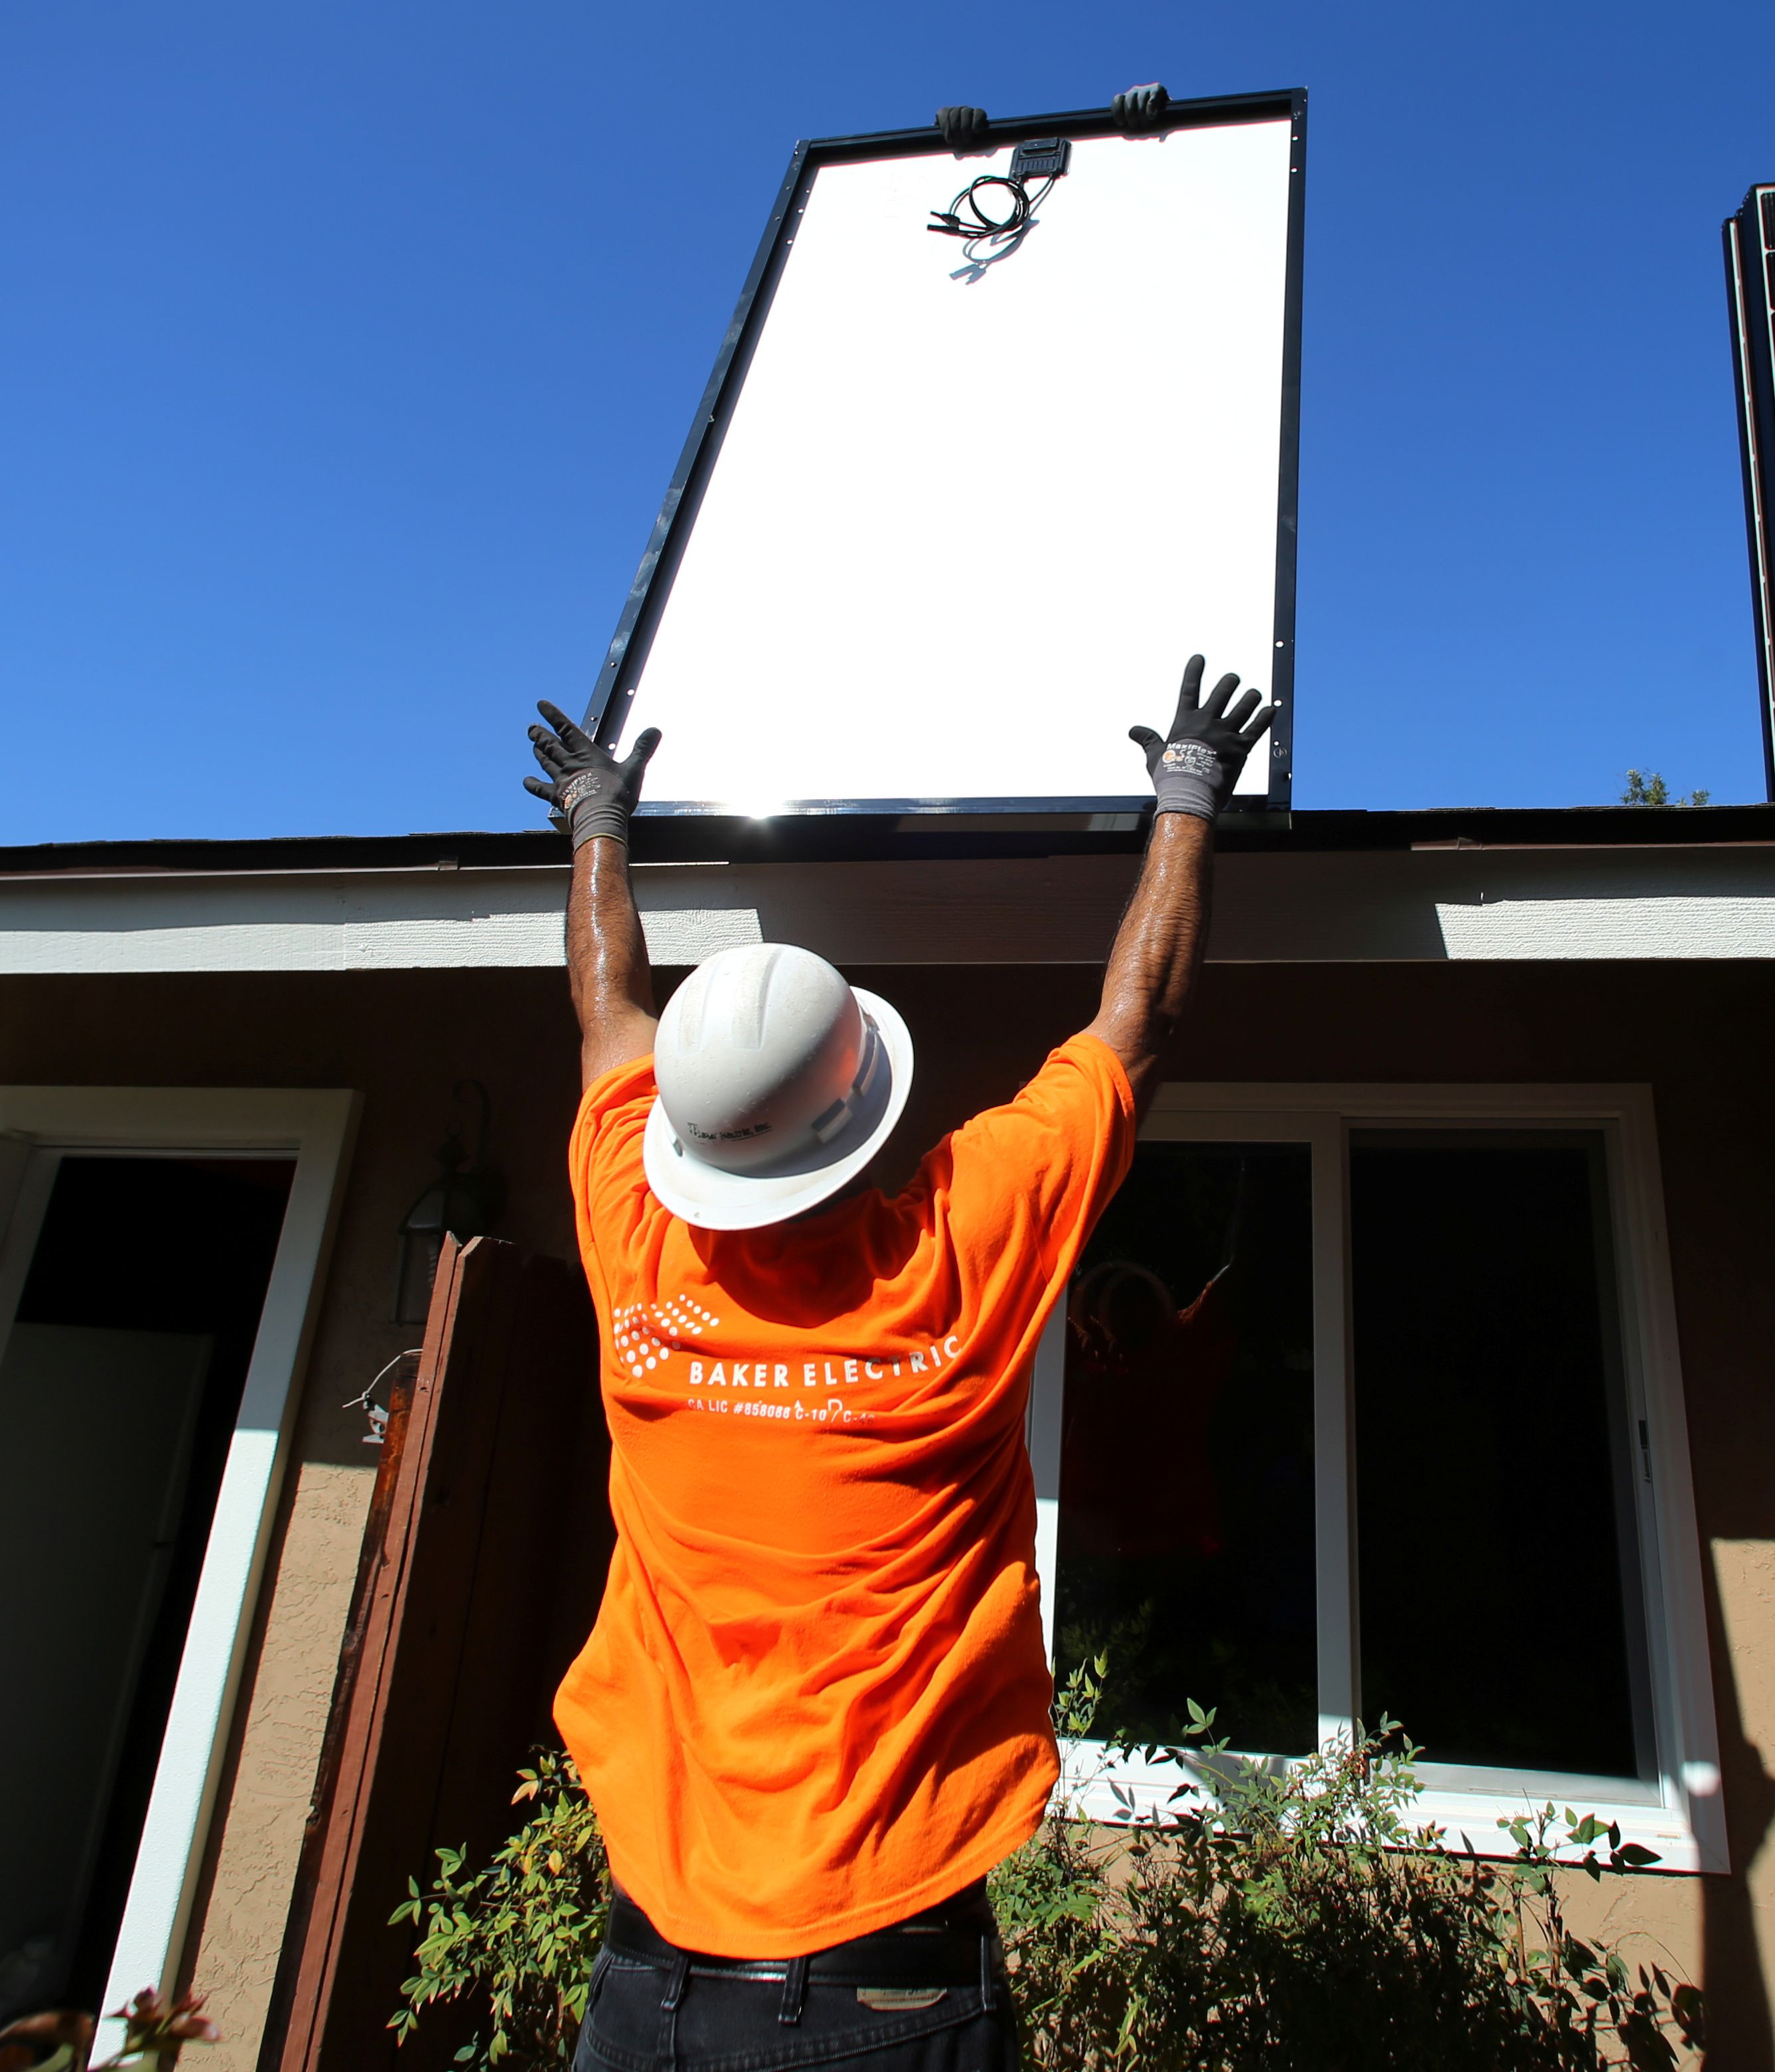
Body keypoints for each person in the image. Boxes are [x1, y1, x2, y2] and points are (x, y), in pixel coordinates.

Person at [521, 656, 1277, 2072]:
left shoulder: (637, 1250)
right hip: (891, 1982)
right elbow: (1139, 1021)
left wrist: (596, 825)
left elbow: (608, 1013)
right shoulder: (957, 1246)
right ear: (868, 1108)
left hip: (648, 1981)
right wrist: (1186, 794)